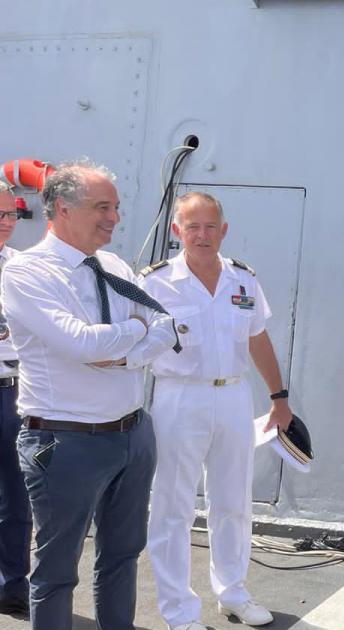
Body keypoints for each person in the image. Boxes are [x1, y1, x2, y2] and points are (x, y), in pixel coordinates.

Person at [3, 160, 178, 629]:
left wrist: (122, 356)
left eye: (115, 207)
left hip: (132, 434)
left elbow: (164, 324)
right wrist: (133, 331)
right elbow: (80, 343)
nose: (114, 218)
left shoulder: (114, 266)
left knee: (123, 555)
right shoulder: (27, 273)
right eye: (103, 207)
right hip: (65, 442)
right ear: (63, 208)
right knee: (57, 571)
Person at [141, 192, 291, 629]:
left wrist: (279, 397)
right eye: (193, 227)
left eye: (210, 226)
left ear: (223, 230)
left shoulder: (242, 279)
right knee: (173, 505)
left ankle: (233, 592)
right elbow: (134, 343)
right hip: (178, 396)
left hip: (232, 395)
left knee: (233, 500)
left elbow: (257, 338)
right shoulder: (154, 283)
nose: (202, 235)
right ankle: (178, 610)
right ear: (177, 231)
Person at [0, 183, 29, 617]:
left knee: (17, 494)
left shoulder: (22, 267)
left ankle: (12, 585)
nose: (6, 223)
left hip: (14, 391)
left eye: (11, 215)